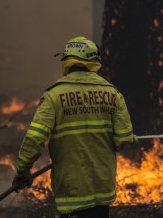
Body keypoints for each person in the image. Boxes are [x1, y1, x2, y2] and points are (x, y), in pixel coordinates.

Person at [12, 36, 136, 218]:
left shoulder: (54, 95)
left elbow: (34, 138)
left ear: (67, 61)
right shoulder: (113, 94)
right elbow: (123, 140)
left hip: (72, 191)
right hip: (102, 189)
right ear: (94, 61)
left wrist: (23, 171)